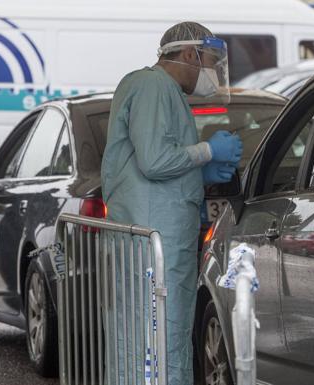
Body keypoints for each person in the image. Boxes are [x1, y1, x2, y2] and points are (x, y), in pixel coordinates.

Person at [101, 22, 242, 385]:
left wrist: (203, 173)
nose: (211, 71)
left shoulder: (167, 91)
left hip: (163, 238)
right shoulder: (152, 85)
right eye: (210, 60)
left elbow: (156, 162)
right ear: (189, 53)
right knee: (152, 339)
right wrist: (208, 150)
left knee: (167, 334)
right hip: (152, 243)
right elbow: (154, 160)